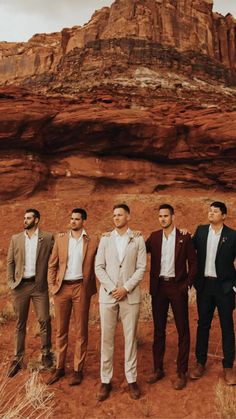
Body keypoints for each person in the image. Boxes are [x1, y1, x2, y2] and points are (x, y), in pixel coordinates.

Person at [95, 204, 146, 401]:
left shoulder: (138, 239)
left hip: (130, 296)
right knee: (106, 339)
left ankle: (131, 379)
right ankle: (105, 380)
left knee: (130, 338)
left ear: (128, 217)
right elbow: (99, 267)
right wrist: (111, 288)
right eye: (114, 215)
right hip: (108, 296)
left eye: (120, 215)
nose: (116, 218)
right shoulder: (105, 239)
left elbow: (141, 268)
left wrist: (125, 288)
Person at [146, 204, 197, 390]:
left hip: (177, 288)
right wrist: (131, 235)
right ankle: (158, 368)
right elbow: (138, 249)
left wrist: (186, 285)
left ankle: (181, 371)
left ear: (173, 217)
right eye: (160, 216)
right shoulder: (154, 237)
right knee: (158, 330)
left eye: (166, 216)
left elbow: (193, 263)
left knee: (183, 329)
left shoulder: (184, 237)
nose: (162, 219)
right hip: (159, 288)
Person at [47, 208, 97, 386]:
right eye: (71, 219)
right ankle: (59, 368)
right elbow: (52, 265)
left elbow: (111, 239)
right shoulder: (60, 239)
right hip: (62, 289)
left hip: (81, 289)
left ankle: (78, 370)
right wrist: (53, 287)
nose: (73, 221)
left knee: (81, 331)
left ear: (84, 221)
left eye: (77, 219)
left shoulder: (92, 241)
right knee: (61, 330)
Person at [190, 201, 236, 385]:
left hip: (224, 287)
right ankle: (200, 363)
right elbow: (187, 249)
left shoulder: (232, 235)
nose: (211, 213)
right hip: (204, 286)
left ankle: (229, 367)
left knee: (227, 326)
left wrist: (234, 286)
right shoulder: (200, 231)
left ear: (224, 216)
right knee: (203, 325)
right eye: (210, 211)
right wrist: (182, 234)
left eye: (215, 211)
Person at [7, 208, 54, 377]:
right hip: (20, 287)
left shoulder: (47, 238)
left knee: (44, 319)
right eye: (24, 218)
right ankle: (18, 359)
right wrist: (11, 283)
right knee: (20, 322)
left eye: (29, 218)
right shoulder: (16, 239)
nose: (25, 220)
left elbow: (57, 256)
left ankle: (46, 354)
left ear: (37, 220)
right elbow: (10, 262)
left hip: (39, 286)